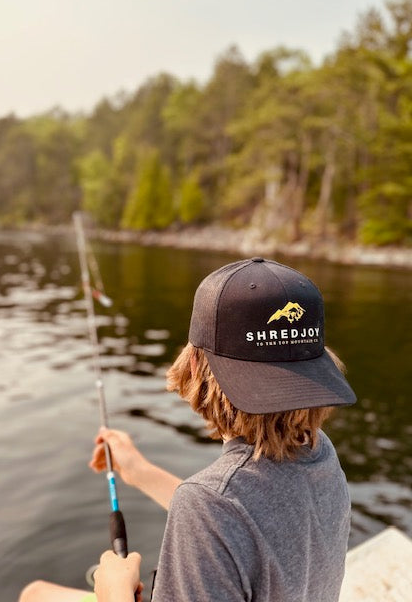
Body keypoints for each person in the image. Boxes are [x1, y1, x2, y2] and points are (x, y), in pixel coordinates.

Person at [19, 257, 356, 602]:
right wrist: (139, 472)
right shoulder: (318, 451)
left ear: (195, 364)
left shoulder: (207, 506)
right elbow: (240, 518)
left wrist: (112, 594)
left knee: (33, 596)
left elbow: (220, 512)